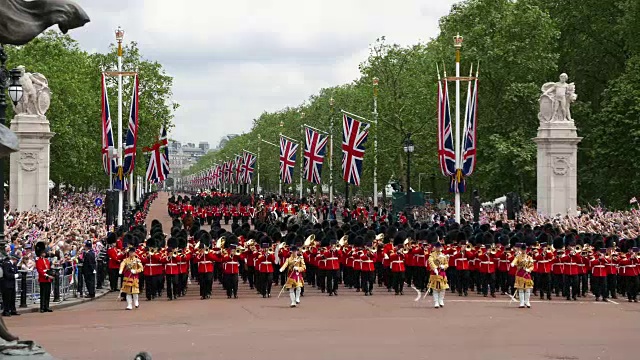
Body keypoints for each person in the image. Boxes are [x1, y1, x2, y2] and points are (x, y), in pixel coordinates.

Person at [511, 243, 534, 308]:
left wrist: (528, 269)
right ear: (521, 249)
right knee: (520, 289)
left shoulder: (529, 257)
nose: (523, 251)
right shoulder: (518, 257)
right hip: (520, 274)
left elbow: (532, 266)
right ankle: (521, 302)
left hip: (526, 274)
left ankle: (527, 301)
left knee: (527, 289)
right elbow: (515, 261)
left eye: (524, 250)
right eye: (522, 249)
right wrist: (513, 263)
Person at [428, 242, 448, 308]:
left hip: (442, 273)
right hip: (435, 273)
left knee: (443, 288)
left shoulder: (443, 255)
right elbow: (430, 262)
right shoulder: (432, 255)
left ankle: (441, 300)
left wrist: (443, 266)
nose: (438, 248)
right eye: (437, 247)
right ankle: (436, 302)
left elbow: (446, 264)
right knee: (435, 288)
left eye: (439, 247)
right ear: (435, 248)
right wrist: (435, 268)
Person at [35, 242, 53, 313]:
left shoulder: (46, 260)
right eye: (43, 252)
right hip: (43, 279)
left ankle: (47, 306)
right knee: (43, 294)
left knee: (47, 294)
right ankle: (42, 307)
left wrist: (51, 274)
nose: (44, 253)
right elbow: (40, 270)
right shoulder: (38, 261)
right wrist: (47, 275)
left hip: (48, 279)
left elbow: (48, 269)